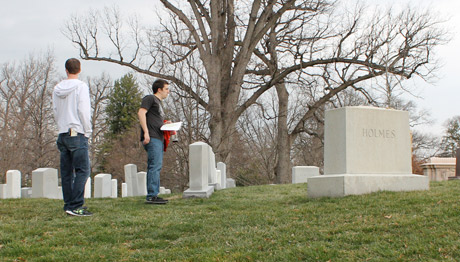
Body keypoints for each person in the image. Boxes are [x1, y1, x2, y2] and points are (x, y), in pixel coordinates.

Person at [53, 58, 93, 216]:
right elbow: (83, 109)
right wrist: (87, 130)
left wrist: (61, 126)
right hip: (77, 131)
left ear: (66, 70)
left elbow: (55, 110)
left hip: (63, 132)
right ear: (79, 69)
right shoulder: (81, 86)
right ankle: (76, 205)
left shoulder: (57, 88)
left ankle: (68, 204)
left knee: (67, 172)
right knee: (83, 170)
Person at [138, 79, 170, 204]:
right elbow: (141, 113)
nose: (168, 92)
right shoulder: (150, 98)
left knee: (157, 166)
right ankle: (151, 196)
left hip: (159, 137)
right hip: (152, 137)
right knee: (154, 166)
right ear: (159, 89)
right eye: (166, 89)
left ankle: (154, 194)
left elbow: (155, 120)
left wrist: (166, 124)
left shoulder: (159, 104)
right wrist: (146, 133)